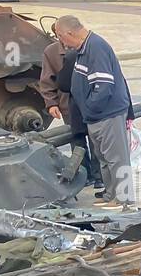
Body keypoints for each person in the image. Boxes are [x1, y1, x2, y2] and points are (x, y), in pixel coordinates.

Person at [58, 15, 133, 207]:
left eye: (60, 36)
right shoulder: (84, 48)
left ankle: (122, 198)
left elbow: (103, 86)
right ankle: (110, 194)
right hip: (94, 116)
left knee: (116, 158)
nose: (61, 41)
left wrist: (90, 107)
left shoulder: (96, 47)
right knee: (104, 158)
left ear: (69, 33)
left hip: (106, 114)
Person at [39, 25, 102, 193]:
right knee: (77, 140)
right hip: (69, 106)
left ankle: (99, 177)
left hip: (91, 104)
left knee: (96, 141)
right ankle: (84, 174)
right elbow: (47, 80)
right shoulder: (51, 52)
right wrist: (51, 103)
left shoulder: (89, 47)